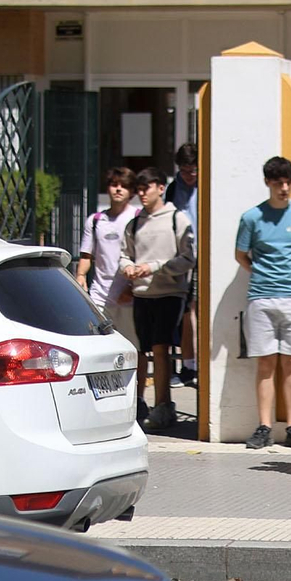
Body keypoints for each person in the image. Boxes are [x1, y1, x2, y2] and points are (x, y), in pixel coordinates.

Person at [235, 156, 291, 450]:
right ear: (267, 183)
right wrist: (261, 274)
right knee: (265, 361)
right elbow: (241, 255)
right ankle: (264, 426)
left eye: (287, 182)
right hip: (262, 297)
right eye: (277, 183)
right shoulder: (252, 217)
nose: (283, 188)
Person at [120, 166, 196, 430]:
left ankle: (163, 405)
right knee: (141, 350)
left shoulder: (177, 219)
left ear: (161, 188)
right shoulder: (135, 223)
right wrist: (127, 268)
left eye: (147, 188)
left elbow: (188, 258)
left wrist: (154, 267)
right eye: (139, 190)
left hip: (169, 293)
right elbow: (124, 254)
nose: (142, 194)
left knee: (161, 348)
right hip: (142, 293)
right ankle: (139, 402)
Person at [77, 167, 143, 370]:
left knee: (134, 349)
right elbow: (86, 255)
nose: (118, 189)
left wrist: (131, 288)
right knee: (100, 348)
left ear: (132, 192)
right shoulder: (96, 220)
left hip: (129, 298)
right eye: (114, 185)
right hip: (99, 295)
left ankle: (138, 389)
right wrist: (80, 276)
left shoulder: (138, 218)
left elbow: (143, 256)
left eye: (124, 186)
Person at [165, 143, 200, 387]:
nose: (189, 176)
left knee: (194, 311)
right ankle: (186, 366)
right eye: (185, 171)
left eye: (193, 171)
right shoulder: (172, 189)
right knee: (183, 311)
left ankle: (194, 365)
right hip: (179, 255)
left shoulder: (207, 186)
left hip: (201, 255)